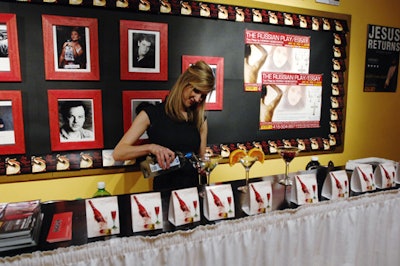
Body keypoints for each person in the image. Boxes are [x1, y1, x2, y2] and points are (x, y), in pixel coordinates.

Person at [113, 61, 215, 191]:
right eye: (196, 90)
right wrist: (151, 148)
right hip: (164, 195)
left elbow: (201, 160)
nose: (197, 98)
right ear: (184, 83)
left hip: (192, 195)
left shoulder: (199, 119)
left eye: (203, 95)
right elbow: (118, 153)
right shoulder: (152, 114)